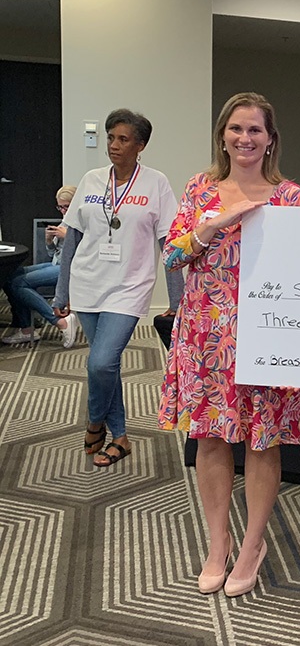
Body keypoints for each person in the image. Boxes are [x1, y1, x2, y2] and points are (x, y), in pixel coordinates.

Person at [158, 92, 300, 598]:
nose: (245, 138)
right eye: (236, 129)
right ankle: (217, 542)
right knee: (210, 438)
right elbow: (172, 256)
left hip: (267, 334)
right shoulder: (200, 188)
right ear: (222, 136)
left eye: (255, 130)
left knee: (262, 440)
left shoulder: (290, 197)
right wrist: (214, 224)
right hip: (206, 335)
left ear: (271, 140)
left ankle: (252, 545)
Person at [54, 109, 181, 466]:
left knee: (101, 362)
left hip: (129, 286)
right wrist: (62, 292)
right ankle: (120, 437)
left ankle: (95, 421)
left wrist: (178, 299)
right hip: (87, 283)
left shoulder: (156, 183)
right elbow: (72, 239)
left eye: (123, 139)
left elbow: (169, 244)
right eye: (111, 137)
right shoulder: (92, 180)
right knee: (106, 366)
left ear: (141, 145)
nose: (113, 145)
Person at [2, 186, 80, 347]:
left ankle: (60, 322)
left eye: (67, 206)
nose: (63, 211)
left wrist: (68, 237)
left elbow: (89, 251)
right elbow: (54, 254)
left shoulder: (82, 221)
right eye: (60, 207)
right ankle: (26, 328)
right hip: (57, 264)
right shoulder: (66, 220)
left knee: (18, 283)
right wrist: (49, 241)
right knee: (10, 275)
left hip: (72, 268)